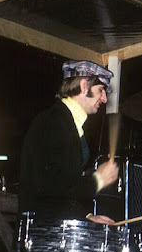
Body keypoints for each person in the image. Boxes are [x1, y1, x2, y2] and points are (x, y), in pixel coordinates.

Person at [19, 59, 119, 223]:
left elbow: (61, 194)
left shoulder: (67, 123)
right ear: (84, 86)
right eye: (101, 90)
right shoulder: (53, 122)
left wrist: (86, 216)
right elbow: (49, 185)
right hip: (43, 236)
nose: (104, 99)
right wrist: (97, 180)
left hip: (53, 227)